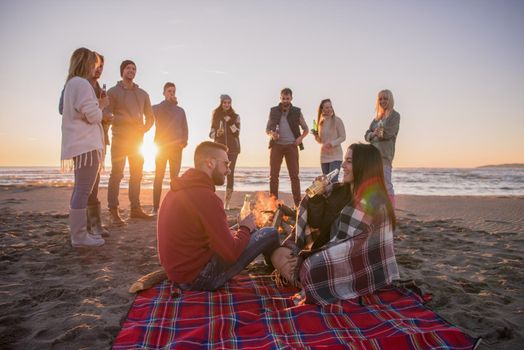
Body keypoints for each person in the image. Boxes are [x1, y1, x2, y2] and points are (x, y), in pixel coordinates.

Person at [271, 143, 400, 305]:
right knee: (278, 254)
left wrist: (308, 258)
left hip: (352, 263)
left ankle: (309, 282)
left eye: (349, 161)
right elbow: (317, 223)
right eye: (344, 160)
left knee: (310, 268)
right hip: (325, 252)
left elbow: (357, 249)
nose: (343, 165)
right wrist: (317, 197)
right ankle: (310, 283)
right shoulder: (338, 191)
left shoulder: (375, 202)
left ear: (363, 165)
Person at [157, 141, 280, 291]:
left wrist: (242, 229)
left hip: (179, 273)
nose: (228, 170)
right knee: (269, 233)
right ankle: (278, 268)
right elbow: (230, 253)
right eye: (226, 164)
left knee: (243, 230)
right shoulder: (206, 197)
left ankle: (274, 264)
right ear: (210, 163)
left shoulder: (178, 189)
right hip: (199, 278)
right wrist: (245, 228)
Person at [60, 47, 111, 247]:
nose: (97, 67)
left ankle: (78, 234)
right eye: (95, 63)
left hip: (78, 144)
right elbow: (94, 115)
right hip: (86, 145)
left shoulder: (71, 84)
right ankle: (80, 236)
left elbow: (78, 112)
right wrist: (102, 106)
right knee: (83, 190)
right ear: (87, 63)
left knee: (80, 190)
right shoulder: (81, 84)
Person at [106, 59, 155, 224]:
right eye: (128, 68)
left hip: (137, 142)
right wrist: (123, 121)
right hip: (119, 139)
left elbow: (150, 117)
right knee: (117, 175)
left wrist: (144, 128)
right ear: (122, 71)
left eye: (134, 69)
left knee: (136, 175)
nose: (131, 71)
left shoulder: (143, 94)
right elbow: (107, 114)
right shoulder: (112, 92)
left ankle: (135, 209)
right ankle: (113, 211)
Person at [266, 88, 309, 207]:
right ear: (280, 98)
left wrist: (300, 138)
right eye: (283, 98)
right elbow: (267, 129)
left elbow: (306, 129)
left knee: (294, 176)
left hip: (291, 146)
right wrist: (272, 134)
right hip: (276, 146)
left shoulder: (297, 111)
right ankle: (273, 204)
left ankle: (298, 204)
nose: (285, 100)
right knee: (273, 176)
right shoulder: (273, 111)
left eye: (287, 98)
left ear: (291, 98)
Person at [152, 82, 188, 213]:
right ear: (164, 93)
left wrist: (183, 142)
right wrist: (168, 103)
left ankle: (173, 206)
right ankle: (155, 207)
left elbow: (185, 128)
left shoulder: (180, 111)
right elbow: (149, 113)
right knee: (159, 176)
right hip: (161, 147)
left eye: (173, 91)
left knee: (175, 178)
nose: (172, 93)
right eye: (169, 91)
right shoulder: (158, 108)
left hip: (176, 149)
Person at [364, 89, 400, 206]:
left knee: (386, 186)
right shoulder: (377, 118)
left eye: (385, 98)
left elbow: (388, 134)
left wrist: (375, 134)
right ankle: (376, 212)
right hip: (372, 157)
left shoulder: (395, 116)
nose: (382, 101)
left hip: (385, 156)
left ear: (390, 100)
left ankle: (391, 213)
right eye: (380, 99)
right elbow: (366, 135)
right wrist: (374, 134)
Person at [209, 94, 241, 210]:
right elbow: (211, 134)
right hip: (219, 148)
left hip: (233, 149)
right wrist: (216, 133)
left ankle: (227, 203)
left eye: (229, 103)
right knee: (215, 172)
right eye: (224, 102)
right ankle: (211, 198)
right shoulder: (216, 116)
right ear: (221, 103)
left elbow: (237, 133)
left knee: (230, 173)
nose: (227, 105)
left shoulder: (236, 116)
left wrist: (230, 121)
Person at [312, 99, 346, 182]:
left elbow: (343, 137)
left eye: (331, 107)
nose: (330, 109)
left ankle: (336, 195)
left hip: (336, 156)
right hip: (324, 156)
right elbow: (321, 141)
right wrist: (316, 136)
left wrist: (332, 143)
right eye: (327, 107)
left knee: (333, 181)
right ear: (322, 109)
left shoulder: (337, 120)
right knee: (326, 182)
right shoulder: (320, 122)